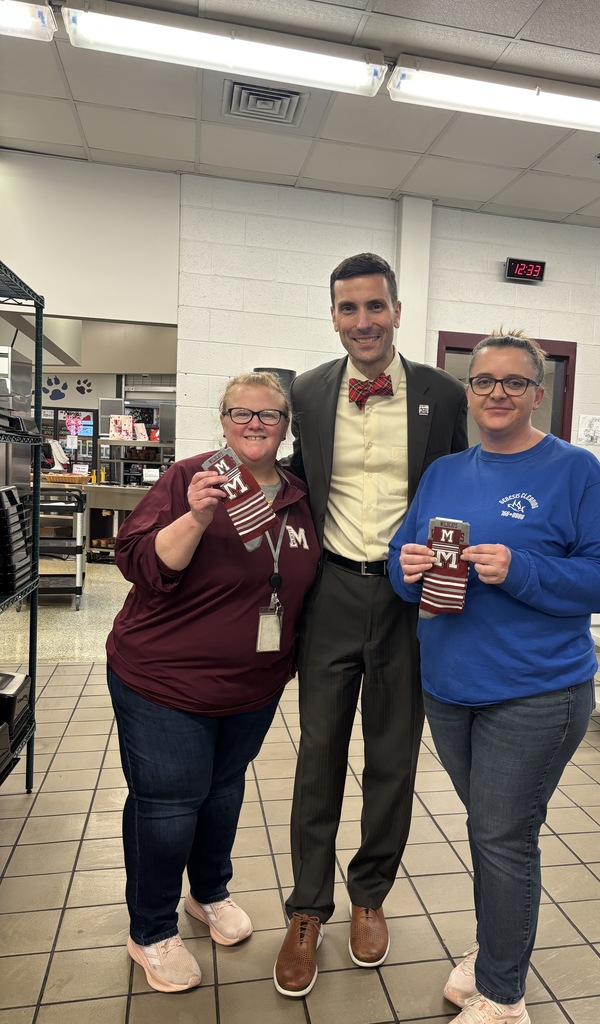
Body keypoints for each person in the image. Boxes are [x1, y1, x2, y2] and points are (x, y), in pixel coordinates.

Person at [389, 331, 600, 1024]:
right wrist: (402, 572)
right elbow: (401, 557)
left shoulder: (575, 471)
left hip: (535, 693)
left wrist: (519, 570)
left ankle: (502, 995)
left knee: (501, 836)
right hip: (450, 688)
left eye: (513, 383)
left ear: (538, 393)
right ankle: (497, 948)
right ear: (469, 391)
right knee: (494, 830)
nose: (496, 394)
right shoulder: (445, 472)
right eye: (483, 382)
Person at [273, 252, 468, 997]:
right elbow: (289, 470)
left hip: (409, 601)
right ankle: (307, 909)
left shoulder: (445, 394)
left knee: (393, 757)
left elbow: (462, 485)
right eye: (348, 309)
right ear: (333, 316)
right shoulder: (310, 390)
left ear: (396, 309)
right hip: (330, 593)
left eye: (375, 307)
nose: (363, 322)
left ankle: (369, 895)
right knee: (318, 753)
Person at [106, 371, 320, 993]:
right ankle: (149, 928)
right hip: (164, 679)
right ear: (222, 419)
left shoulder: (299, 494)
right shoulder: (190, 478)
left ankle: (208, 893)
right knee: (169, 804)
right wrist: (197, 516)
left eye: (269, 415)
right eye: (241, 413)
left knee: (223, 790)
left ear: (286, 426)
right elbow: (140, 564)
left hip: (252, 682)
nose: (255, 424)